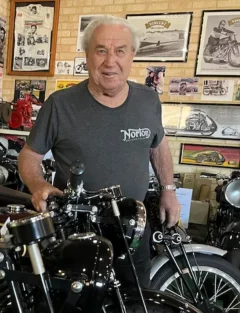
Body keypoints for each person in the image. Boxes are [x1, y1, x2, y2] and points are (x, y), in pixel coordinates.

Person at [18, 14, 181, 289]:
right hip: (76, 236)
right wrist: (38, 184)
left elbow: (158, 144)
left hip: (134, 231)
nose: (110, 62)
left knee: (134, 301)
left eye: (120, 51)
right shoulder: (60, 104)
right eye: (101, 50)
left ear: (132, 55)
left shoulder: (148, 100)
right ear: (87, 55)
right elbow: (29, 156)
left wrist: (168, 189)